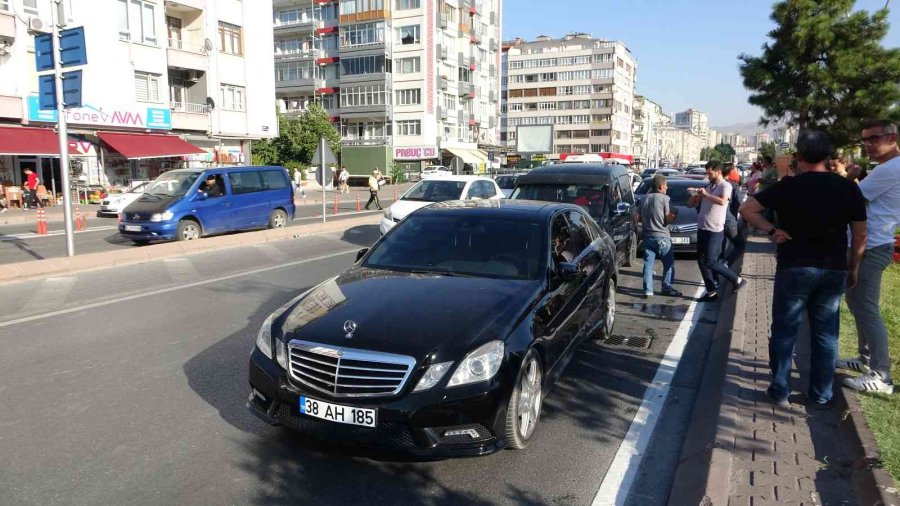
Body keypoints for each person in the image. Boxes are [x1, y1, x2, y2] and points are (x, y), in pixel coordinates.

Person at [740, 129, 867, 408]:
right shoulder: (848, 188)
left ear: (798, 157)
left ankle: (780, 390)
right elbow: (860, 235)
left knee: (786, 330)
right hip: (833, 268)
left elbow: (747, 209)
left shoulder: (788, 186)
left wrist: (773, 230)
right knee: (826, 333)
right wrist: (853, 267)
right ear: (829, 156)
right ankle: (821, 394)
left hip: (794, 266)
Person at [838, 119, 900, 394]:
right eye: (865, 140)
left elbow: (851, 199)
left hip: (872, 246)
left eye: (873, 139)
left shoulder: (890, 169)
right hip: (872, 243)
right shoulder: (886, 168)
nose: (868, 145)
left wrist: (848, 175)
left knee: (866, 308)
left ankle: (881, 375)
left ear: (893, 137)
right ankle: (865, 358)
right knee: (856, 301)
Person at [688, 161, 745, 302]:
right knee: (701, 260)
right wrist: (695, 195)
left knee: (711, 261)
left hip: (715, 229)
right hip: (702, 228)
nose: (708, 176)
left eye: (710, 173)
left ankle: (737, 279)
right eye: (707, 173)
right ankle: (711, 291)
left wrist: (706, 195)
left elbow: (722, 201)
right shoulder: (708, 186)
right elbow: (691, 205)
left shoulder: (725, 186)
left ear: (718, 172)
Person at [637, 174, 682, 299]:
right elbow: (667, 218)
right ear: (661, 186)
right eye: (666, 185)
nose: (667, 187)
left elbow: (637, 217)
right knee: (668, 263)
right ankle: (666, 287)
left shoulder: (644, 198)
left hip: (647, 235)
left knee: (648, 264)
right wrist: (674, 214)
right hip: (662, 236)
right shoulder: (664, 199)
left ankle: (648, 290)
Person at [720, 164, 747, 271]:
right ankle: (726, 264)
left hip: (716, 220)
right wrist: (746, 219)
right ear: (731, 172)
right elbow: (740, 203)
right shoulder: (733, 185)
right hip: (730, 220)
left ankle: (717, 269)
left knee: (720, 246)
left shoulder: (715, 185)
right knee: (740, 245)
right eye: (735, 170)